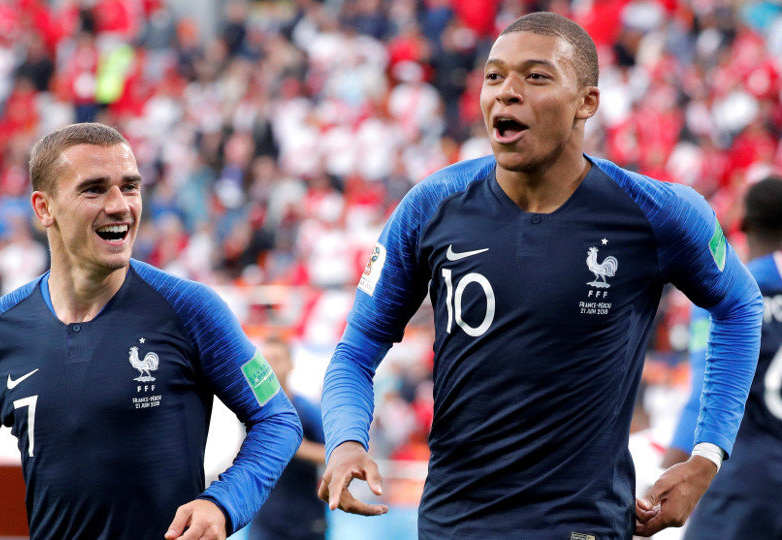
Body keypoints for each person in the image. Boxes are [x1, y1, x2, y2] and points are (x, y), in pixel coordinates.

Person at [318, 11, 763, 539]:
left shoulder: (657, 213)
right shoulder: (430, 206)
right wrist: (346, 440)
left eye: (535, 76)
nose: (506, 92)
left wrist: (706, 455)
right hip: (453, 527)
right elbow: (356, 350)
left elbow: (740, 306)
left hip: (584, 526)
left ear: (586, 103)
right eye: (494, 76)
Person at [0, 123, 303, 539]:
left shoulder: (190, 308)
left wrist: (222, 503)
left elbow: (277, 419)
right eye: (94, 190)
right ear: (44, 208)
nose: (120, 206)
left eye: (130, 187)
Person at [666, 176, 782, 539]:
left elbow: (704, 392)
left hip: (742, 491)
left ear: (743, 224)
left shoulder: (729, 292)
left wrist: (667, 470)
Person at [250, 336, 328, 540]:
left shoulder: (306, 410)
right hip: (264, 520)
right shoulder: (250, 411)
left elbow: (334, 455)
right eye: (264, 362)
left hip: (305, 519)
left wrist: (296, 446)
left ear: (290, 364)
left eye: (276, 360)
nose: (270, 367)